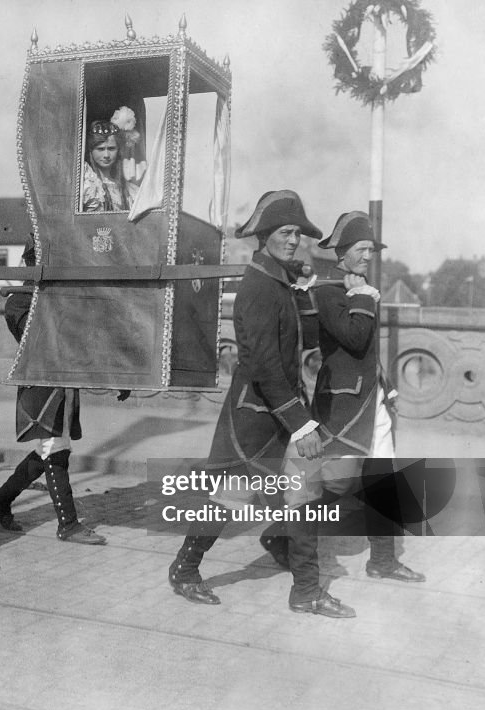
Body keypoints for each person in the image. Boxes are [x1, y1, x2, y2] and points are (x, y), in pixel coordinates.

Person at [167, 190, 355, 618]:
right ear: (265, 235)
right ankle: (185, 567)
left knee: (305, 494)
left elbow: (300, 340)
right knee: (229, 498)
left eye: (298, 234)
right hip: (253, 416)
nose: (293, 240)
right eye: (285, 232)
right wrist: (303, 425)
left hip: (280, 411)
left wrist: (306, 288)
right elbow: (262, 364)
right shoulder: (257, 287)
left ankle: (306, 590)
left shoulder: (279, 282)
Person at [309, 211, 424, 582]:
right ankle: (281, 536)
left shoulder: (360, 290)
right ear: (341, 252)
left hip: (373, 403)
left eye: (371, 250)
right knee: (336, 483)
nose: (367, 256)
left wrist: (387, 384)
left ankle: (383, 561)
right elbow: (354, 338)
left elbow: (368, 352)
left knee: (383, 478)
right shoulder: (325, 291)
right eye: (361, 249)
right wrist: (361, 297)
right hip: (342, 405)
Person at [0, 236, 106, 545]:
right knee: (56, 451)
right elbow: (39, 338)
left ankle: (0, 499)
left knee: (47, 451)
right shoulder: (19, 302)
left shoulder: (56, 298)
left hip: (62, 384)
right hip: (39, 386)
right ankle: (68, 524)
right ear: (32, 264)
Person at [81, 118, 139, 212]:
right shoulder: (87, 181)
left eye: (111, 149)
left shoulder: (130, 191)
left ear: (118, 150)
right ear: (91, 151)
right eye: (100, 149)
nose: (106, 155)